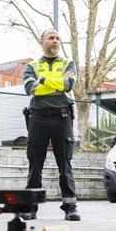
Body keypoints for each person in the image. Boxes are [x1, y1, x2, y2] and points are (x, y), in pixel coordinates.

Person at [22, 29, 80, 221]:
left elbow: (68, 85)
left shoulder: (68, 63)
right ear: (42, 42)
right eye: (51, 38)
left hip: (62, 118)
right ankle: (31, 207)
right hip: (37, 118)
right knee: (35, 164)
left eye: (57, 38)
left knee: (65, 164)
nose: (55, 41)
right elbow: (31, 88)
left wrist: (45, 81)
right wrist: (57, 84)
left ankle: (70, 207)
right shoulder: (32, 65)